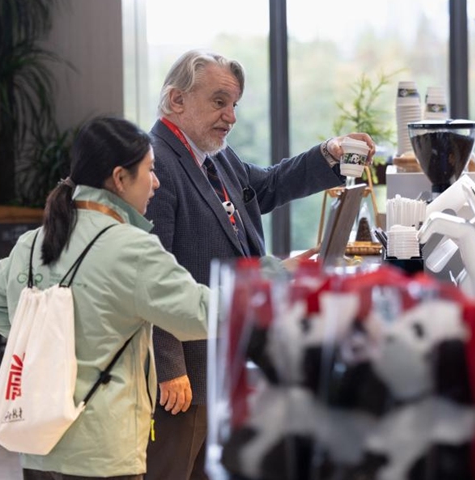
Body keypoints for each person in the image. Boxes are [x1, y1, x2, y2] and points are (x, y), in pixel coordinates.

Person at [143, 50, 376, 480]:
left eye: (234, 105)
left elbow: (267, 185)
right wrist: (169, 366)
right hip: (186, 371)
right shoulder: (157, 163)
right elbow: (152, 272)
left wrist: (329, 153)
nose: (230, 117)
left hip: (223, 355)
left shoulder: (215, 157)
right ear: (177, 100)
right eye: (219, 102)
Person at [0, 116, 212, 479]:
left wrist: (49, 340)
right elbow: (199, 314)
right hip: (102, 449)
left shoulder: (33, 242)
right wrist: (268, 281)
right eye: (150, 170)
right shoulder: (131, 247)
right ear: (120, 178)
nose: (156, 182)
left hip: (38, 444)